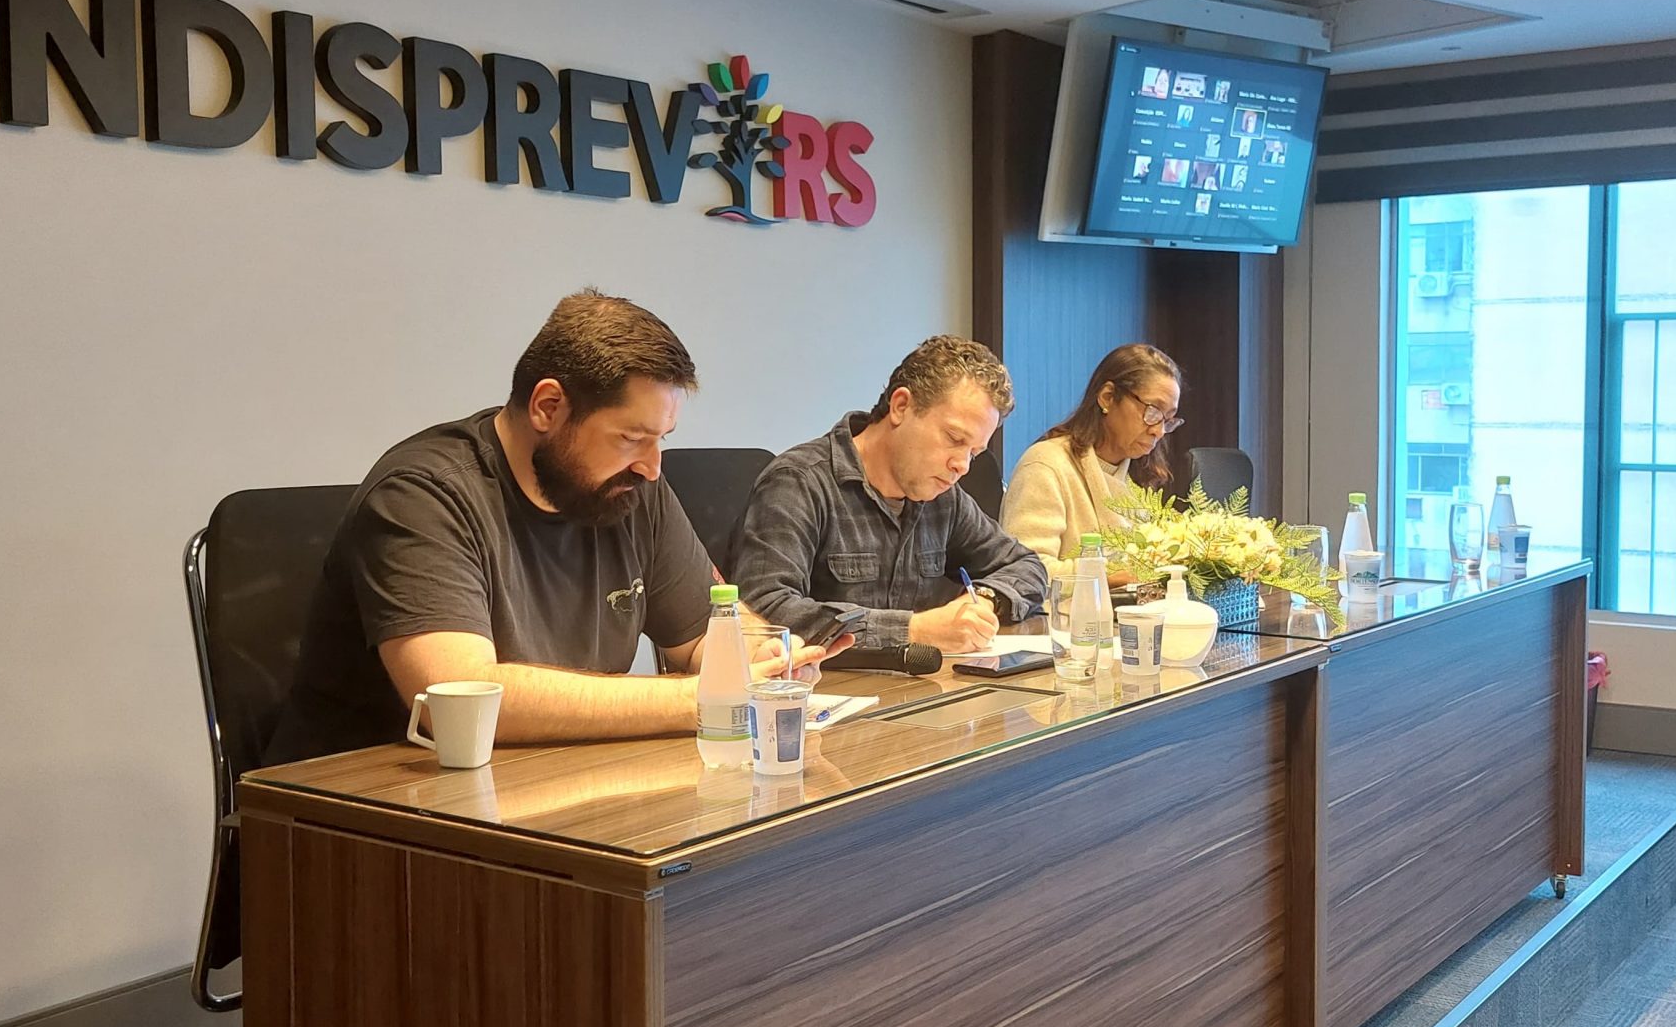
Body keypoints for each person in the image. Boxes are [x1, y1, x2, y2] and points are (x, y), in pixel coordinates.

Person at [263, 290, 842, 764]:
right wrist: (705, 697)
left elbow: (700, 637)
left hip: (550, 782)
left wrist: (764, 656)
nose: (652, 466)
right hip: (365, 816)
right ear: (547, 407)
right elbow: (458, 701)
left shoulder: (631, 488)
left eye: (661, 439)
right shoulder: (422, 495)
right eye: (631, 438)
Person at [731, 336, 1048, 656]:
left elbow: (1026, 566)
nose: (962, 466)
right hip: (825, 685)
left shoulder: (943, 498)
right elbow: (763, 611)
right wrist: (914, 630)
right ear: (901, 406)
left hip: (924, 682)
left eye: (974, 452)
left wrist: (984, 601)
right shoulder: (799, 483)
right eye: (954, 438)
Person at [1001, 344, 1184, 585]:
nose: (1158, 431)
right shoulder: (1046, 464)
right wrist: (1112, 573)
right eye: (1153, 411)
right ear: (1107, 397)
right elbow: (1025, 572)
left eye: (1168, 419)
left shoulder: (1141, 474)